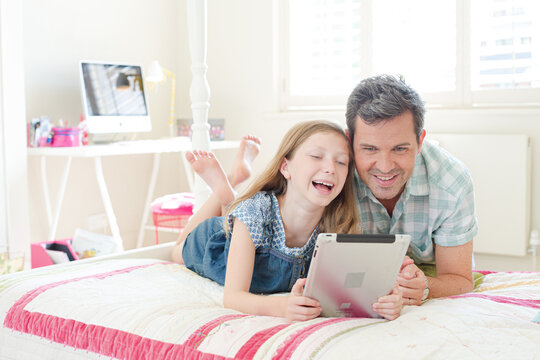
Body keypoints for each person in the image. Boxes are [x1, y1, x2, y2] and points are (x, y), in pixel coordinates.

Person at [172, 120, 403, 321]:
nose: (330, 168)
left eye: (341, 162)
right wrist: (281, 306)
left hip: (245, 230)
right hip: (219, 244)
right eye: (316, 156)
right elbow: (233, 298)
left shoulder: (339, 221)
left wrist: (386, 301)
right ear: (286, 167)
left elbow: (352, 290)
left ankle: (229, 198)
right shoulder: (256, 211)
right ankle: (227, 188)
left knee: (236, 210)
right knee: (176, 252)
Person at [345, 75, 477, 306]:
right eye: (369, 149)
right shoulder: (332, 176)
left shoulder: (452, 182)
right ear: (350, 140)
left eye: (399, 149)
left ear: (420, 141)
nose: (385, 167)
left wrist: (425, 287)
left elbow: (461, 280)